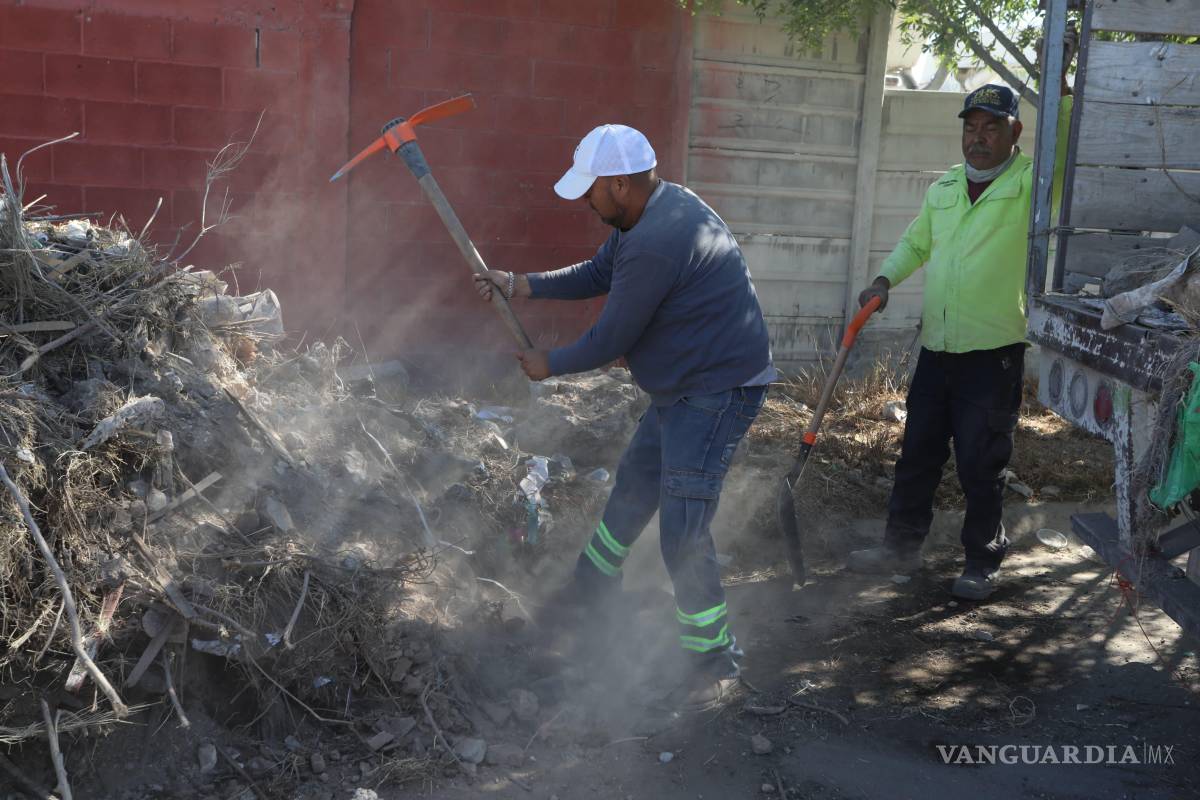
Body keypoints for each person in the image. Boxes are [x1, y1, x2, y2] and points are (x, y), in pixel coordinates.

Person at [474, 124, 775, 698]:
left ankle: (714, 659)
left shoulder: (660, 236)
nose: (586, 202)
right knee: (636, 484)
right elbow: (598, 274)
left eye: (589, 191)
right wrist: (521, 285)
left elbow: (612, 336)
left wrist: (550, 364)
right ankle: (593, 580)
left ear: (618, 183)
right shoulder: (647, 213)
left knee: (682, 529)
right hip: (682, 384)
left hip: (715, 390)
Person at [847, 83, 1072, 600]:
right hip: (939, 350)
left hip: (992, 355)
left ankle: (980, 561)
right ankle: (898, 550)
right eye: (971, 127)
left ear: (1015, 131)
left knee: (980, 463)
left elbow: (1064, 163)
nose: (978, 137)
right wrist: (884, 280)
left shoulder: (1032, 185)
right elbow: (916, 241)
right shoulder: (945, 188)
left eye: (992, 126)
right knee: (917, 456)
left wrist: (1063, 103)